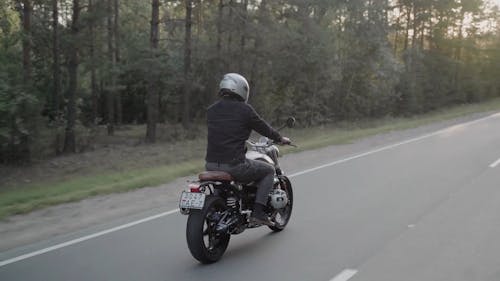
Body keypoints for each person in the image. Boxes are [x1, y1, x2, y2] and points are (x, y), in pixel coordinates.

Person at [205, 73, 291, 226]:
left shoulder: (211, 110)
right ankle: (258, 213)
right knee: (268, 171)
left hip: (210, 164)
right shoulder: (244, 110)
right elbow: (264, 128)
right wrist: (280, 138)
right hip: (234, 165)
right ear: (241, 90)